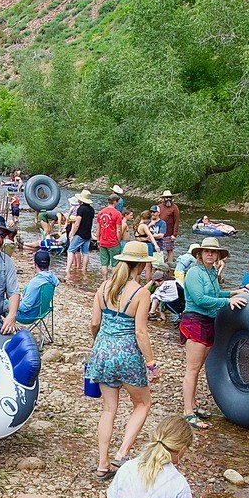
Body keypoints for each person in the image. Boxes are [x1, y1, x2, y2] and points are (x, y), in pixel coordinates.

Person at [86, 242, 158, 478]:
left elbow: (94, 323)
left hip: (102, 350)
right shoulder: (142, 293)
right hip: (127, 354)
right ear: (140, 265)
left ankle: (101, 463)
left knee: (109, 409)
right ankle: (122, 453)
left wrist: (99, 343)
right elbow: (140, 332)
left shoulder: (104, 287)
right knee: (143, 404)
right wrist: (151, 363)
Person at [178, 237, 247, 429]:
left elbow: (214, 295)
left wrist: (232, 293)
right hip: (194, 321)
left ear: (217, 255)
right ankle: (188, 412)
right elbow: (200, 299)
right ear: (200, 254)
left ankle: (192, 405)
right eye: (207, 251)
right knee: (192, 369)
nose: (210, 254)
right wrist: (227, 302)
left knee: (197, 368)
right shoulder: (193, 273)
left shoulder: (212, 273)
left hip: (208, 321)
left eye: (213, 251)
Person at [64, 191, 96, 283]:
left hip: (80, 233)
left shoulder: (81, 209)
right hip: (88, 234)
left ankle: (67, 269)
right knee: (85, 252)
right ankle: (84, 269)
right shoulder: (91, 210)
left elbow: (77, 223)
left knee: (70, 250)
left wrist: (72, 234)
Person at [94, 195, 124, 272]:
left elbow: (98, 228)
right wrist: (119, 240)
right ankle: (113, 282)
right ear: (115, 202)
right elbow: (119, 230)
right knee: (115, 264)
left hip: (103, 241)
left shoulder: (100, 212)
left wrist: (98, 240)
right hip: (113, 242)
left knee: (104, 264)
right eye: (117, 202)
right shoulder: (117, 214)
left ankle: (105, 281)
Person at [156, 192, 179, 257]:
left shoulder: (175, 207)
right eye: (166, 197)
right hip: (159, 233)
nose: (168, 199)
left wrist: (174, 235)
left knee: (170, 250)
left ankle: (170, 264)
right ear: (163, 198)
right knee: (159, 249)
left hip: (169, 233)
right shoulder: (159, 207)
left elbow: (176, 221)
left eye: (169, 197)